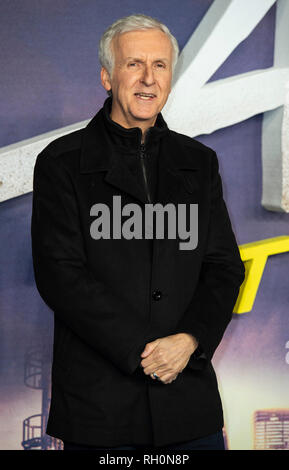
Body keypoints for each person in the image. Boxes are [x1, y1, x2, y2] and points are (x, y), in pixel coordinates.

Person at [31, 14, 245, 451]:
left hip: (190, 405)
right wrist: (144, 351)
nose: (148, 78)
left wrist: (188, 341)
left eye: (160, 65)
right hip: (100, 409)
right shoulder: (61, 162)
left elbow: (223, 268)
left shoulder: (199, 162)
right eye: (134, 65)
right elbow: (61, 275)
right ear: (108, 76)